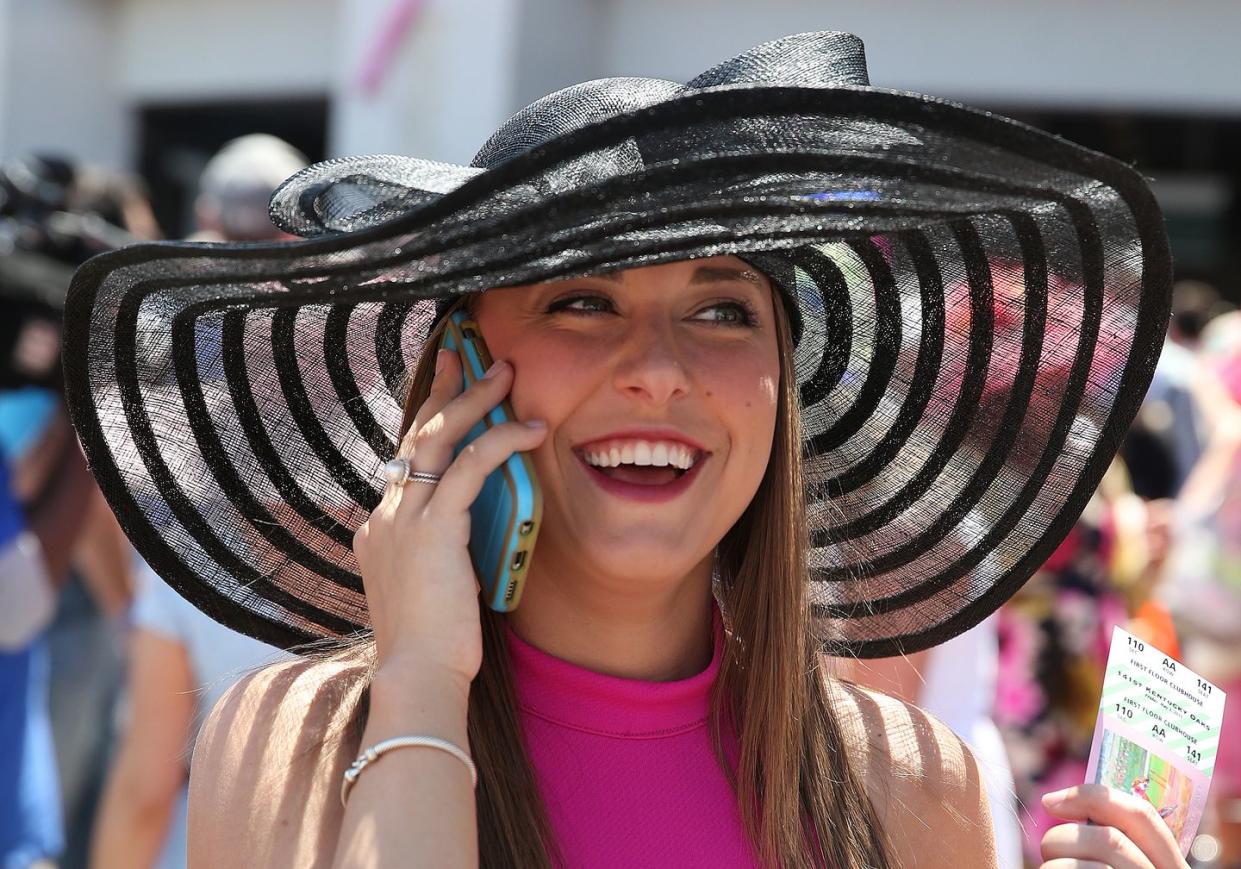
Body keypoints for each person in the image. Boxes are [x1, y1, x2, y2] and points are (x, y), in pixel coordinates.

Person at [61, 32, 1184, 868]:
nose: (657, 367)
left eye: (721, 311)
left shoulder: (905, 786)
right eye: (582, 300)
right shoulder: (292, 735)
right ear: (458, 366)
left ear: (783, 389)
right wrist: (417, 685)